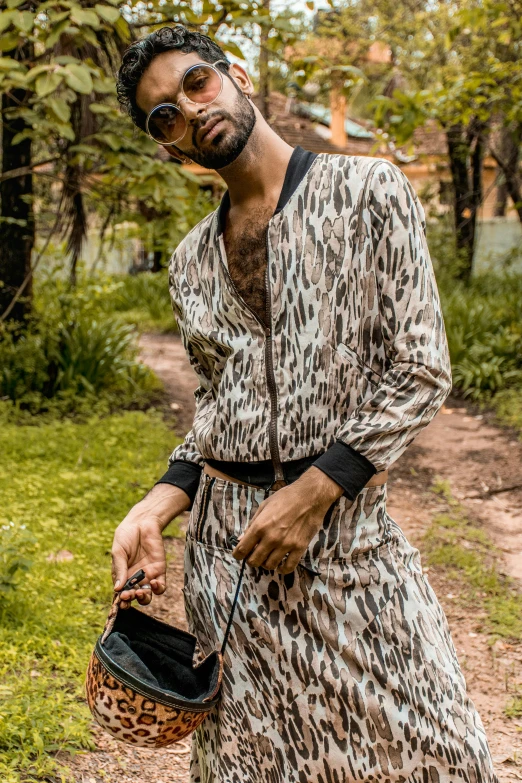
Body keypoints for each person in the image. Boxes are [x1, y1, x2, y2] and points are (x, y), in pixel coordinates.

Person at [112, 24, 498, 783]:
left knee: (441, 753)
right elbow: (218, 402)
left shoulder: (368, 190)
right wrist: (157, 504)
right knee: (254, 764)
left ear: (238, 76)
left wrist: (315, 493)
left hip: (349, 543)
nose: (189, 111)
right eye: (165, 115)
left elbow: (420, 368)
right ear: (167, 146)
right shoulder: (190, 260)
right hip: (232, 565)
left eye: (196, 83)